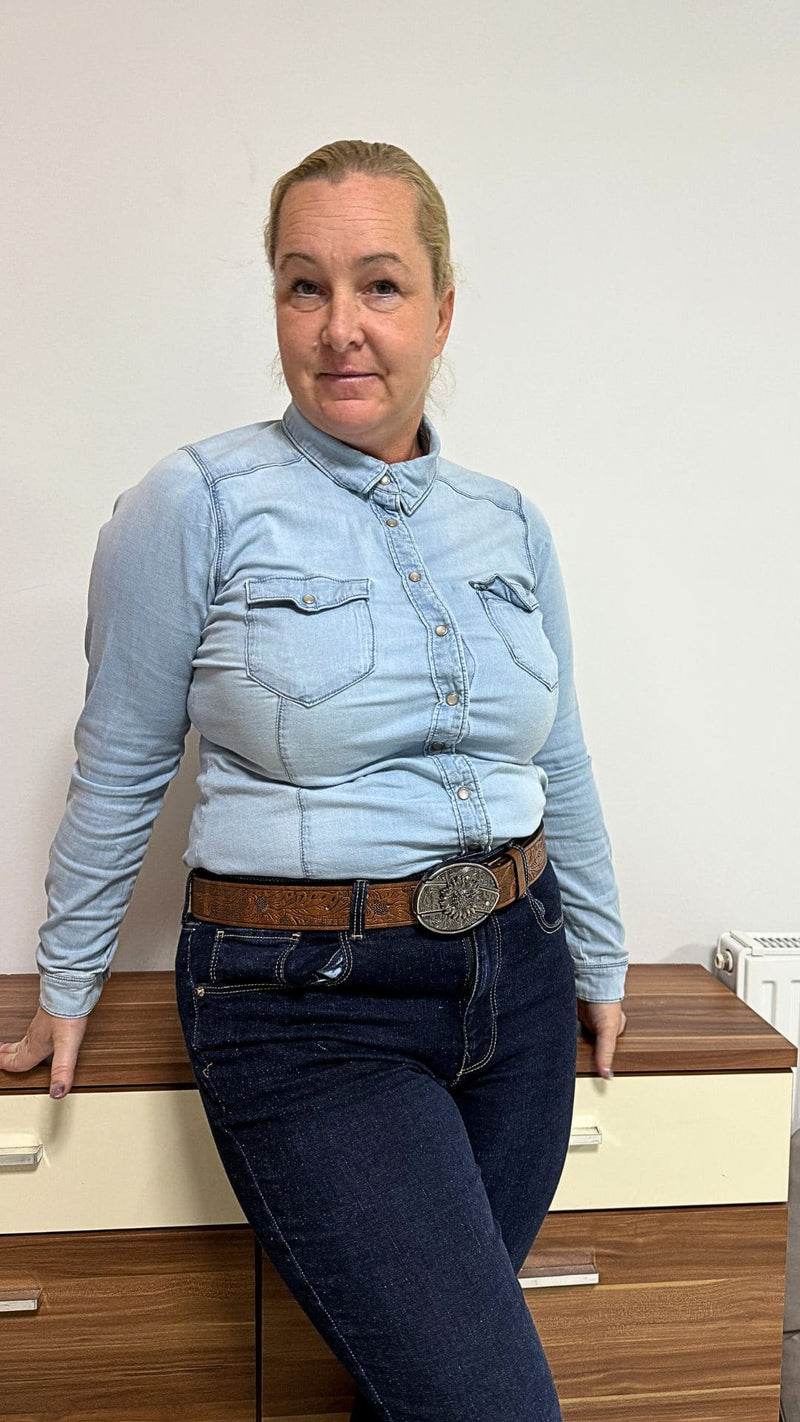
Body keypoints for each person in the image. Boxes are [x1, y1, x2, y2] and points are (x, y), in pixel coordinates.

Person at [0, 139, 627, 1421]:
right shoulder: (195, 502)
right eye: (304, 285)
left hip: (518, 983)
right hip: (308, 1007)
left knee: (413, 1391)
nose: (341, 327)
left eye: (380, 285)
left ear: (440, 311)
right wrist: (67, 980)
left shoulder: (508, 520)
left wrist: (601, 959)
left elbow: (555, 751)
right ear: (277, 303)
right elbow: (122, 754)